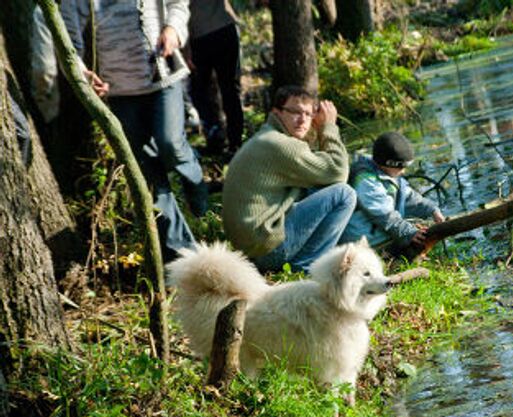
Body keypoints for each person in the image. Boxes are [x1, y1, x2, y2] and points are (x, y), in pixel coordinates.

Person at [60, 0, 208, 260]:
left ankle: (195, 181)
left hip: (163, 78)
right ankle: (182, 251)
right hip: (120, 91)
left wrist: (173, 28)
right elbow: (67, 37)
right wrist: (83, 74)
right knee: (147, 171)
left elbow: (177, 4)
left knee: (170, 143)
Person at [222, 85, 354, 273]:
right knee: (344, 194)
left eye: (309, 114)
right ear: (276, 112)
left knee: (316, 187)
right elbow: (338, 171)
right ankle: (307, 267)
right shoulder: (282, 146)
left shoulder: (266, 138)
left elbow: (319, 175)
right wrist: (328, 127)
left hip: (252, 250)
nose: (302, 120)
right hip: (267, 251)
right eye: (295, 112)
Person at [340, 131, 445, 251]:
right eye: (401, 167)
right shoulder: (365, 180)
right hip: (364, 241)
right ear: (386, 164)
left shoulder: (389, 174)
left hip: (380, 233)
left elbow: (409, 198)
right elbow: (383, 214)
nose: (403, 171)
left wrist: (432, 209)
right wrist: (407, 232)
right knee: (414, 239)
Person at [188, 0, 244, 154]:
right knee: (205, 91)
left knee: (226, 89)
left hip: (217, 28)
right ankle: (223, 139)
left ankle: (233, 142)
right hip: (203, 33)